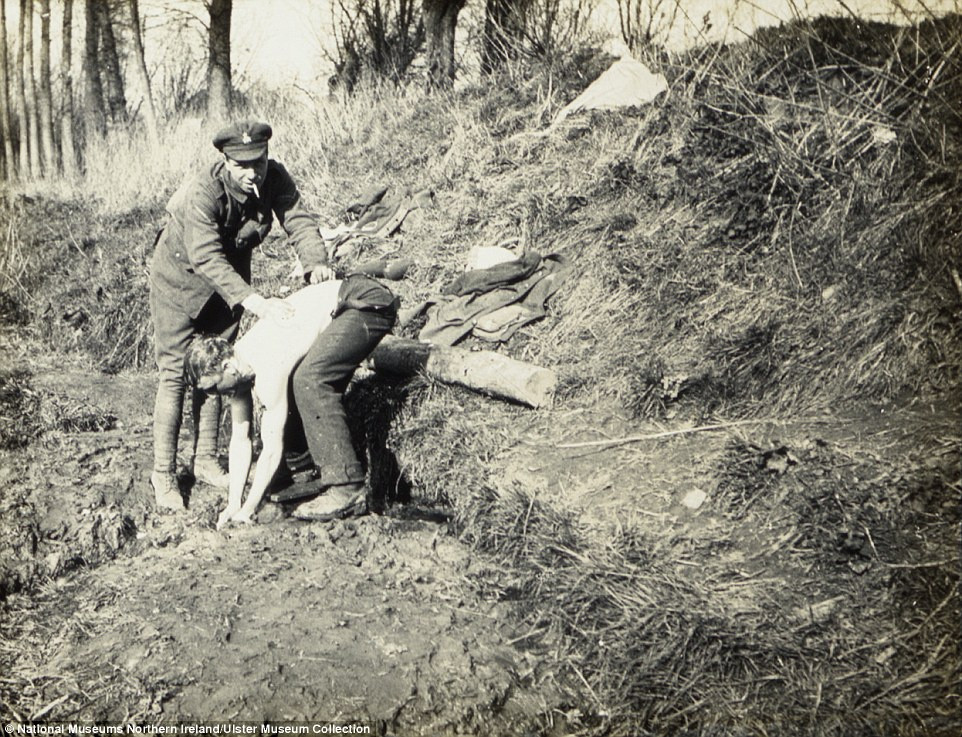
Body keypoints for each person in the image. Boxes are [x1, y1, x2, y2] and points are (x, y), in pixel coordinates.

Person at [149, 120, 335, 511]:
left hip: (228, 285)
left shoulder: (274, 178)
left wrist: (315, 262)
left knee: (224, 366)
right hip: (180, 282)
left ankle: (204, 460)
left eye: (260, 162)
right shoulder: (204, 190)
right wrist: (255, 301)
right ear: (225, 161)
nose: (253, 173)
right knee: (175, 375)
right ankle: (163, 474)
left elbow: (298, 219)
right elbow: (205, 256)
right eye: (242, 165)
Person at [183, 275, 398, 528]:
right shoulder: (238, 371)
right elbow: (240, 441)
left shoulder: (267, 367)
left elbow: (271, 450)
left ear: (228, 366)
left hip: (365, 301)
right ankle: (302, 471)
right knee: (299, 378)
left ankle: (347, 486)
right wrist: (234, 504)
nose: (213, 396)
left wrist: (248, 509)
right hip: (345, 308)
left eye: (213, 388)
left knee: (309, 379)